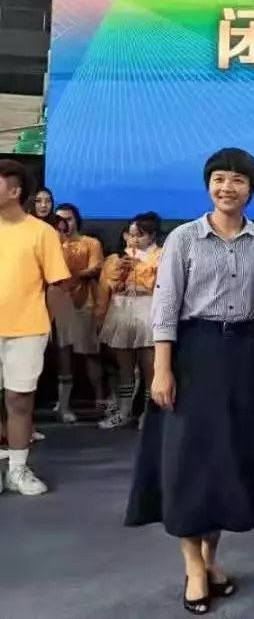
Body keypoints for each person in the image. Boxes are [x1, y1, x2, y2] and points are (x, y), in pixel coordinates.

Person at [125, 148, 254, 614]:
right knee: (187, 463)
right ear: (208, 184)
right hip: (193, 354)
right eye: (219, 179)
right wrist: (162, 368)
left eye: (238, 180)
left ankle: (210, 559)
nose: (227, 187)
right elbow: (166, 305)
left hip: (243, 356)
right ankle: (192, 565)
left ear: (252, 189)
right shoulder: (185, 238)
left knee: (225, 463)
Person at [0, 160, 69, 496]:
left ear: (15, 191)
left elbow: (58, 282)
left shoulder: (41, 232)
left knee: (19, 399)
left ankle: (17, 469)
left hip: (27, 329)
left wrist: (44, 321)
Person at [95, 212, 163, 429]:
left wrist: (141, 267)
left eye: (140, 235)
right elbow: (106, 289)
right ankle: (124, 411)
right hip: (121, 309)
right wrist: (119, 272)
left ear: (152, 236)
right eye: (131, 235)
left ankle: (149, 414)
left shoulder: (161, 256)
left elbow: (163, 286)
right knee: (124, 366)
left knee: (149, 366)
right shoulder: (115, 258)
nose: (134, 240)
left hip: (148, 309)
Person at [50, 203, 105, 422]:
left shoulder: (90, 243)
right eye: (59, 220)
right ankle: (63, 405)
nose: (64, 224)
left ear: (76, 220)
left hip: (84, 303)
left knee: (90, 353)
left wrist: (71, 274)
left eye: (69, 219)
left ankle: (101, 400)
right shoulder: (51, 244)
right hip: (57, 303)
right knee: (62, 353)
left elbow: (96, 267)